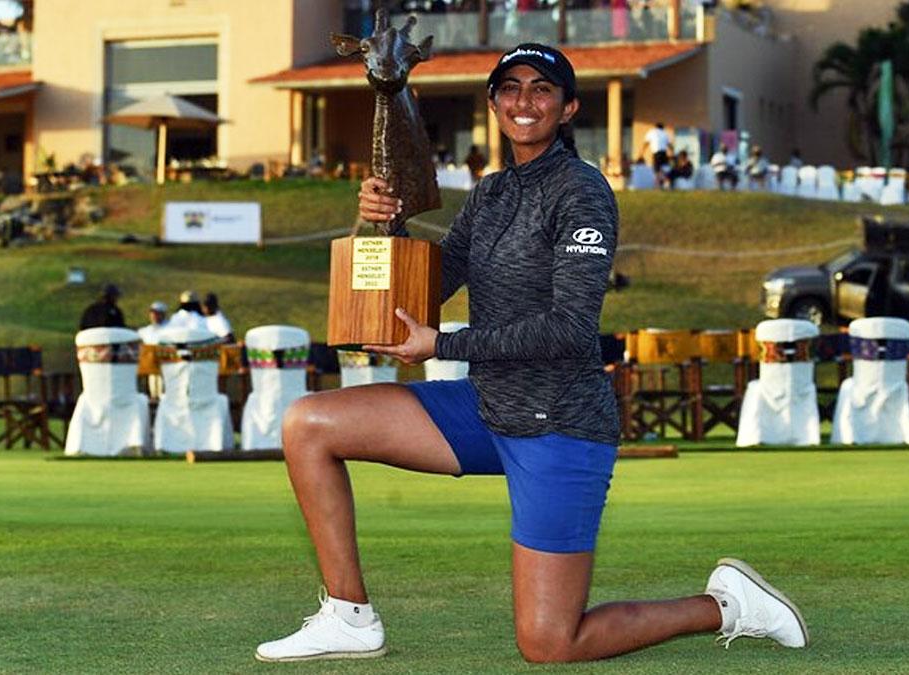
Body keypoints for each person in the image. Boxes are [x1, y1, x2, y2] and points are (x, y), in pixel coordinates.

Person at [255, 42, 807, 664]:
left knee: (549, 642)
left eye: (542, 89)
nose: (524, 101)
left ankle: (728, 605)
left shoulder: (583, 193)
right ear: (493, 103)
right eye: (510, 88)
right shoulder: (490, 195)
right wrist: (384, 227)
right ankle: (349, 618)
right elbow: (426, 290)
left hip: (561, 423)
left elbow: (571, 329)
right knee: (309, 424)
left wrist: (443, 344)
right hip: (488, 409)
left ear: (568, 107)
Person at [642, 122, 672, 187]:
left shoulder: (652, 132)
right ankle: (661, 183)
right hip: (664, 154)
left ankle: (664, 182)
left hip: (656, 154)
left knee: (657, 170)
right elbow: (669, 145)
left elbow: (646, 143)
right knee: (661, 169)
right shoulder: (665, 133)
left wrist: (642, 153)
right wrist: (672, 153)